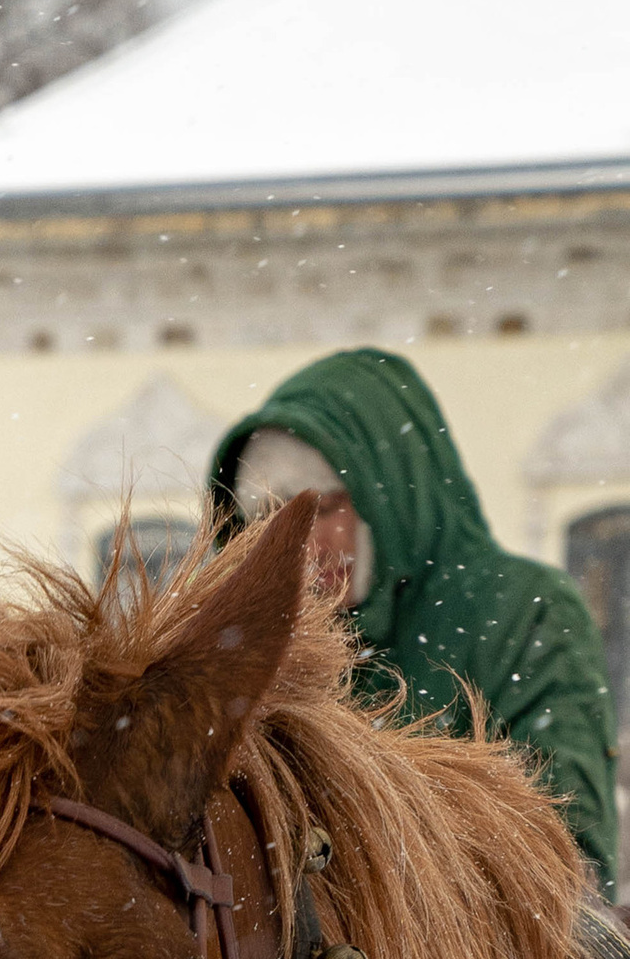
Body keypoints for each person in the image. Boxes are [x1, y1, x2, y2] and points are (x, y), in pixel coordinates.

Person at [209, 347, 620, 897]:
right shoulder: (262, 652)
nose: (301, 546)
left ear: (390, 496)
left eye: (323, 509)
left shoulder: (523, 613)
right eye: (266, 519)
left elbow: (566, 863)